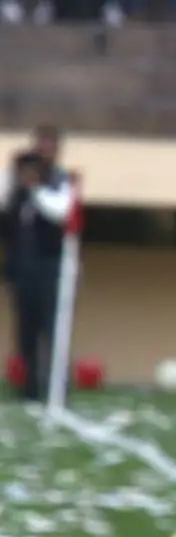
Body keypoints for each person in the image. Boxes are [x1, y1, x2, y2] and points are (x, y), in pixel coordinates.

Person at [1, 139, 72, 403]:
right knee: (25, 332)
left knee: (52, 331)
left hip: (49, 272)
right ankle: (28, 390)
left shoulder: (54, 187)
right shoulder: (14, 196)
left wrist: (36, 190)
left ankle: (58, 388)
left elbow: (60, 212)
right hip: (21, 272)